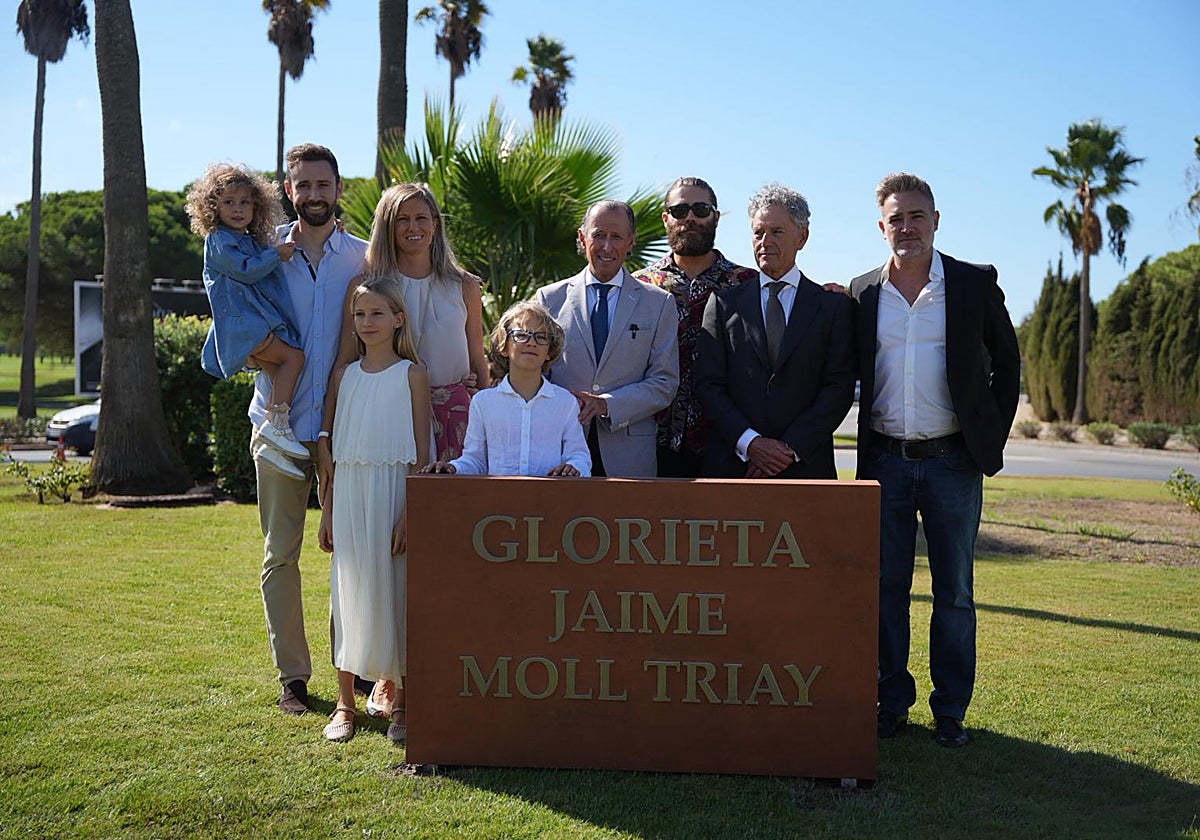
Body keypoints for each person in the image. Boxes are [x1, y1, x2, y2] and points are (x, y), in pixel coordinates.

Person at [850, 173, 1020, 748]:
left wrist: (986, 440)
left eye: (917, 215)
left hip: (952, 463)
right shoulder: (862, 292)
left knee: (954, 592)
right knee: (886, 589)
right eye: (896, 218)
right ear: (881, 227)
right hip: (886, 464)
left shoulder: (974, 285)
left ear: (937, 219)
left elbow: (1007, 367)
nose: (908, 227)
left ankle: (951, 711)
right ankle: (890, 702)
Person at [328, 182, 490, 721]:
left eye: (424, 217)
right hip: (392, 427)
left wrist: (488, 417)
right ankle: (388, 680)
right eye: (403, 219)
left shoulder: (463, 286)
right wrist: (328, 444)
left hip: (457, 420)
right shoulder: (370, 286)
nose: (414, 228)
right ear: (387, 226)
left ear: (436, 223)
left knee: (446, 551)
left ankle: (444, 667)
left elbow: (480, 363)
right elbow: (345, 369)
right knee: (388, 550)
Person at [252, 143, 369, 716]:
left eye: (324, 185)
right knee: (281, 555)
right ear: (289, 190)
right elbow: (236, 323)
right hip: (276, 429)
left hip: (345, 432)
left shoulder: (367, 260)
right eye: (304, 186)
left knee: (349, 552)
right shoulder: (263, 256)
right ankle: (293, 677)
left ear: (338, 189)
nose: (315, 195)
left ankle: (355, 666)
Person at [317, 277, 432, 743]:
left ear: (398, 319)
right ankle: (345, 703)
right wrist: (326, 512)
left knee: (398, 593)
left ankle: (402, 702)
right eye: (360, 314)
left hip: (396, 494)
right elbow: (333, 450)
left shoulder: (412, 374)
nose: (368, 322)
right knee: (348, 591)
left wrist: (411, 514)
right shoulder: (344, 376)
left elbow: (424, 453)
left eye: (378, 313)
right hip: (349, 496)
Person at [695, 183, 855, 479]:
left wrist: (788, 449)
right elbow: (709, 385)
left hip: (805, 468)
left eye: (777, 232)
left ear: (802, 237)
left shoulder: (831, 307)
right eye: (758, 232)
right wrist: (751, 444)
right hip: (735, 468)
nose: (765, 241)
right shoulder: (723, 304)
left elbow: (838, 388)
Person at [535, 200, 679, 477]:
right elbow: (536, 375)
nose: (607, 247)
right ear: (582, 237)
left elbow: (665, 383)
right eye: (599, 235)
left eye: (616, 237)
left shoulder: (659, 304)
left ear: (631, 242)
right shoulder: (549, 299)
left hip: (629, 459)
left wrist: (607, 404)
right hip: (558, 452)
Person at [185, 164, 309, 468]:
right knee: (295, 359)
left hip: (252, 325)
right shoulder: (219, 240)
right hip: (247, 325)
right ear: (212, 208)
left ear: (257, 206)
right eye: (228, 202)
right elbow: (247, 270)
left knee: (279, 369)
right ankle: (277, 426)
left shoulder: (249, 240)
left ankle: (273, 439)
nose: (238, 209)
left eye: (245, 202)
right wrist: (276, 255)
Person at [634, 177, 757, 477]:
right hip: (648, 441)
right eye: (679, 210)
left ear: (715, 217)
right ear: (666, 219)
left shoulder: (748, 285)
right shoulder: (638, 286)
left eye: (700, 209)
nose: (689, 218)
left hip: (727, 444)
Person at [421, 300, 591, 477]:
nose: (531, 343)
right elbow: (476, 460)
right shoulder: (483, 402)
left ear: (549, 350)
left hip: (549, 500)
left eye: (541, 337)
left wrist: (574, 466)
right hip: (497, 501)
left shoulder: (565, 402)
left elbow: (579, 455)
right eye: (521, 335)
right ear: (504, 345)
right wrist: (454, 468)